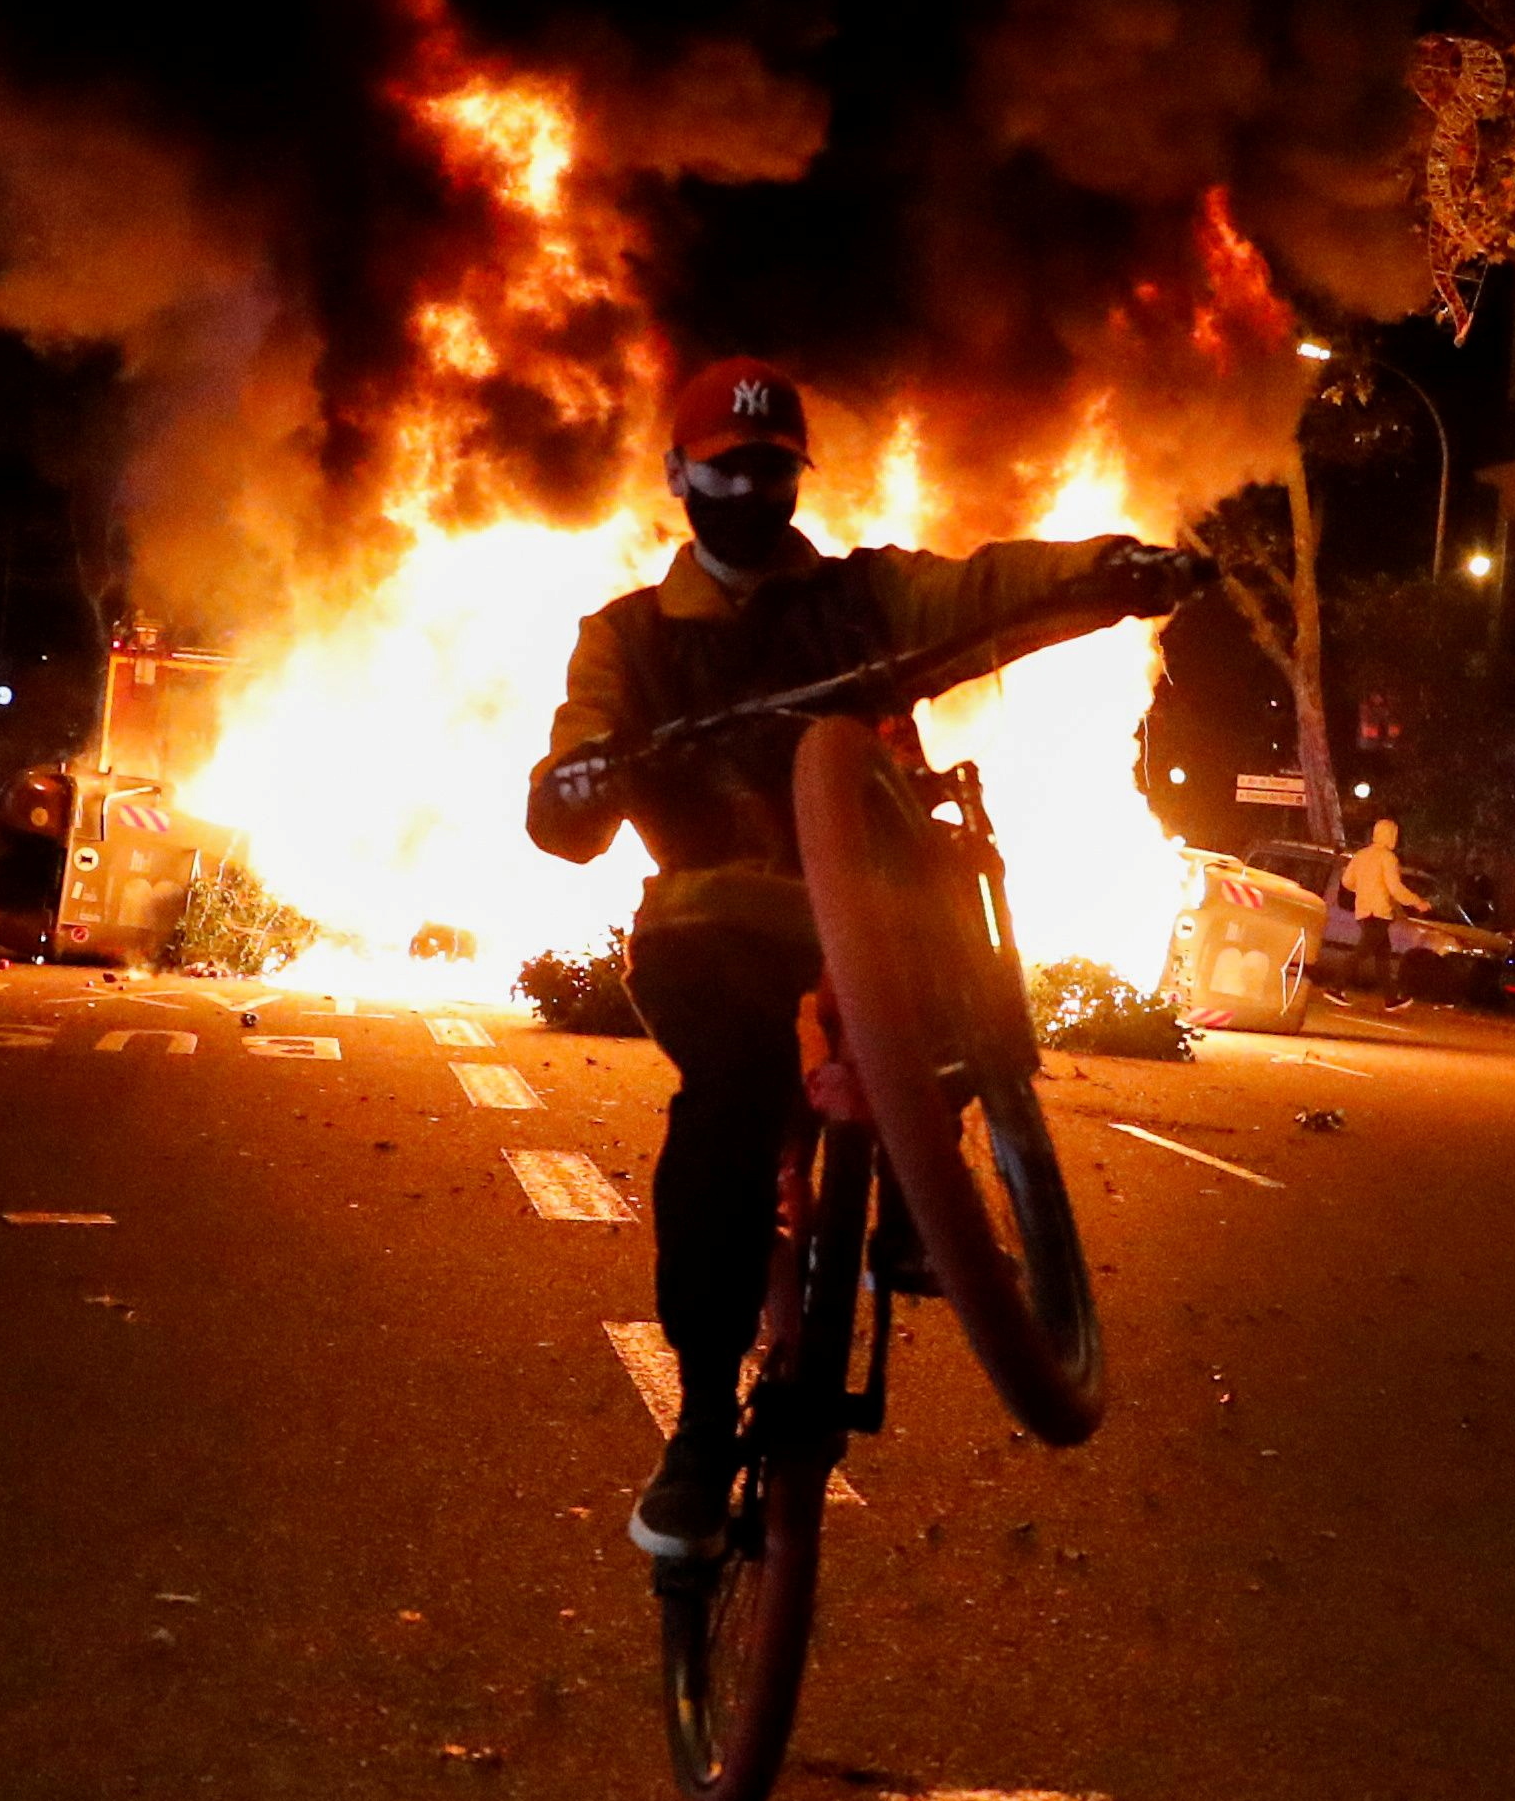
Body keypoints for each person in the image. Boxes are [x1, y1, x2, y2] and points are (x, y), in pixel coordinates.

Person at [525, 356, 1207, 1560]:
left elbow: (989, 590)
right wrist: (576, 780)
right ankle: (695, 1428)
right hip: (715, 930)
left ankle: (925, 1176)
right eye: (728, 469)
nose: (751, 487)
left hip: (880, 918)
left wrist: (1114, 574)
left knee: (951, 931)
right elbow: (569, 797)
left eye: (773, 469)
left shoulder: (862, 601)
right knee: (725, 1124)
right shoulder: (626, 639)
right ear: (679, 476)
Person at [1324, 818, 1420, 1010]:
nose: (1395, 839)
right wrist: (1417, 901)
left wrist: (1364, 887)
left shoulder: (1361, 855)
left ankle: (1391, 999)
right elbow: (1395, 888)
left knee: (1383, 956)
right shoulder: (1387, 858)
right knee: (1362, 952)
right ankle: (1335, 987)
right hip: (1379, 912)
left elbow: (1347, 881)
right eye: (1394, 834)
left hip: (1363, 910)